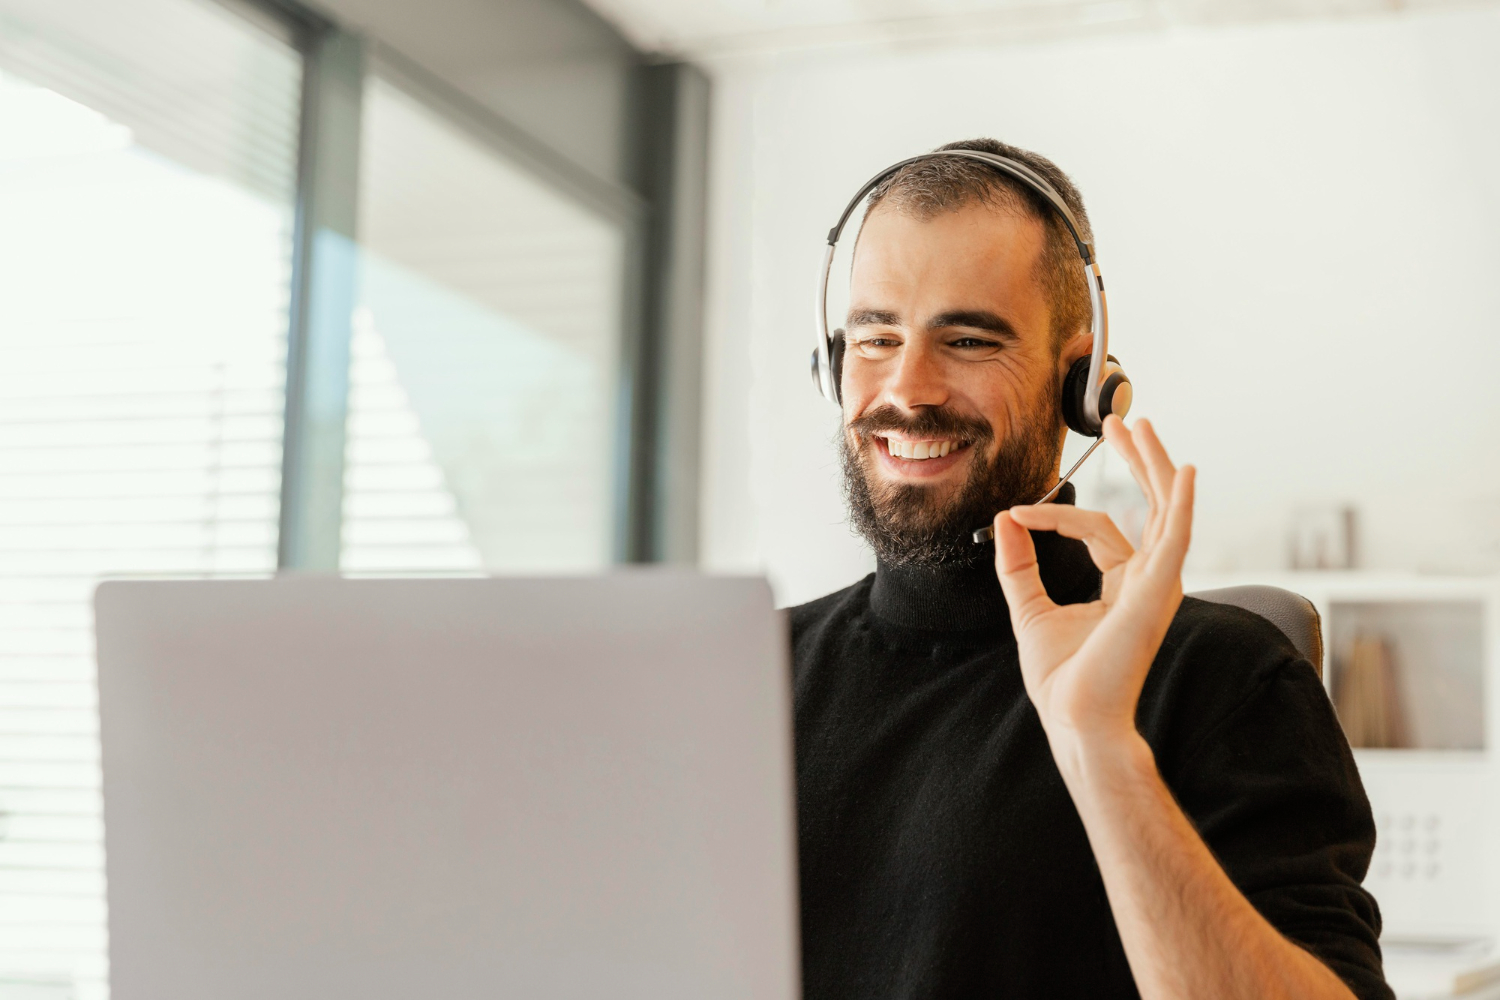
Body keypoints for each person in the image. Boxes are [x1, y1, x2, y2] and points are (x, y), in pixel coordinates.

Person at [790, 138, 1391, 1000]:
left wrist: (1103, 752)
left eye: (965, 339)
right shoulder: (748, 673)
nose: (908, 388)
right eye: (875, 337)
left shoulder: (1221, 676)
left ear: (1082, 384)